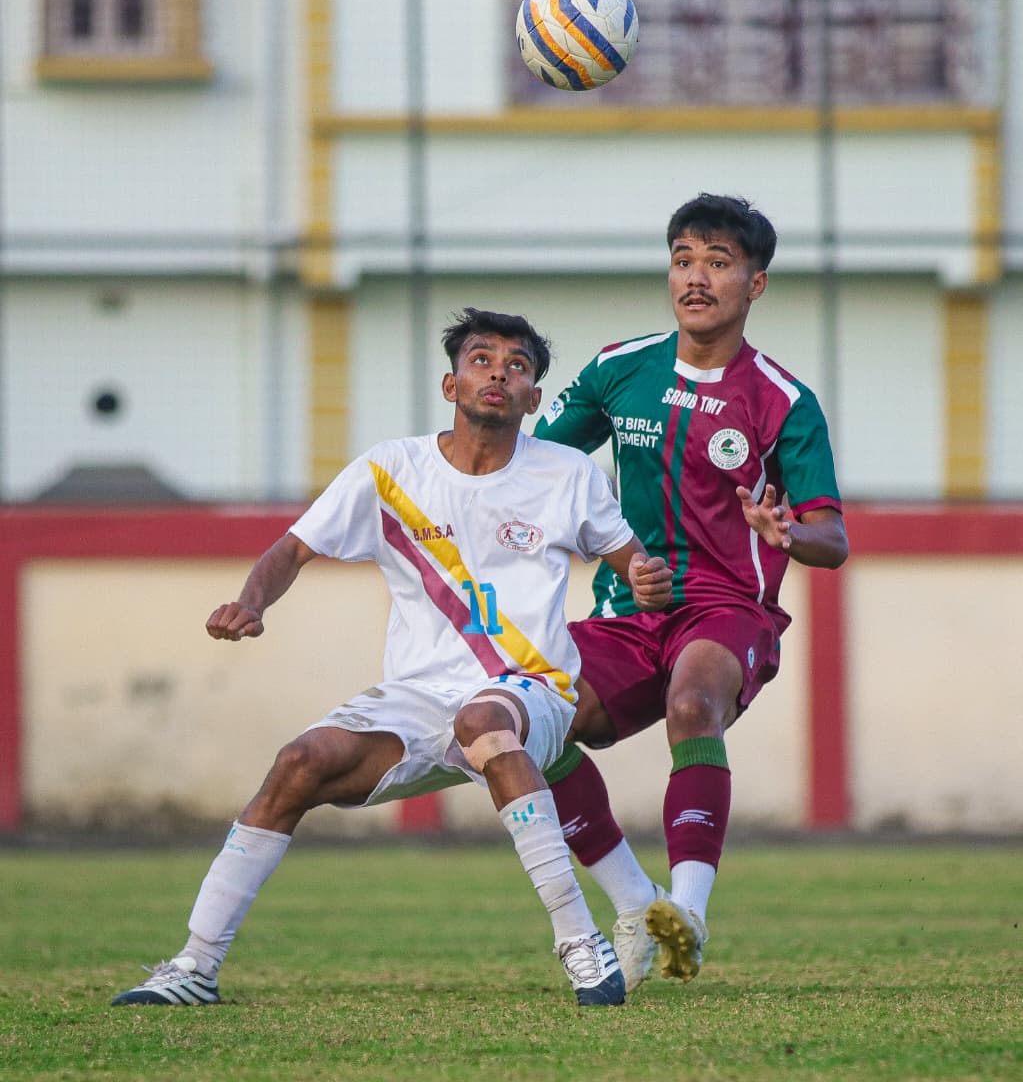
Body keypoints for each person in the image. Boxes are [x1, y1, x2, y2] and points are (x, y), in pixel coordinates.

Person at [111, 307, 673, 1009]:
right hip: (419, 695)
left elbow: (633, 562)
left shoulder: (567, 473)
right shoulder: (391, 470)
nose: (498, 373)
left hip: (531, 688)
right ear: (450, 385)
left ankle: (579, 943)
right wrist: (252, 603)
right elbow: (293, 548)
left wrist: (647, 579)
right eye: (481, 359)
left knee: (485, 722)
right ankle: (194, 965)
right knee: (299, 763)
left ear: (533, 398)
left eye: (517, 365)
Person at [533, 193, 848, 993]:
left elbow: (832, 539)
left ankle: (690, 910)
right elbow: (535, 468)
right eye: (682, 260)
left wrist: (786, 533)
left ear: (755, 283)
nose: (695, 278)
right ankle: (636, 902)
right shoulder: (618, 370)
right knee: (532, 724)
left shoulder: (782, 401)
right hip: (627, 608)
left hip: (727, 606)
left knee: (692, 704)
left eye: (716, 262)